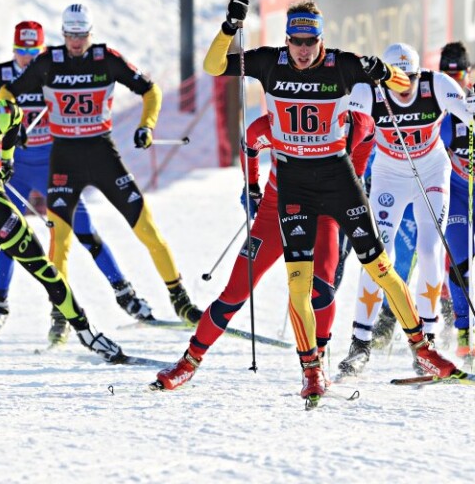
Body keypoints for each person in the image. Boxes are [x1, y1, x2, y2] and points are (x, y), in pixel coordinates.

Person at [174, 0, 465, 400]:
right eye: (297, 41)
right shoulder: (268, 62)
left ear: (321, 39)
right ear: (287, 39)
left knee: (381, 268)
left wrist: (385, 72)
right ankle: (311, 371)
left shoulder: (342, 64)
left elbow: (403, 86)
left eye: (311, 42)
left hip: (338, 181)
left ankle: (424, 350)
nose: (304, 50)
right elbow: (213, 66)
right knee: (298, 286)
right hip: (293, 186)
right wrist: (228, 28)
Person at [0, 4, 202, 338]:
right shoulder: (48, 62)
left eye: (82, 35)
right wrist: (13, 123)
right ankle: (60, 315)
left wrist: (147, 125)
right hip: (64, 161)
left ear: (91, 33)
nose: (76, 42)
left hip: (102, 155)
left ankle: (180, 299)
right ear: (63, 34)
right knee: (60, 241)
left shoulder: (106, 58)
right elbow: (7, 93)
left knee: (146, 228)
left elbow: (150, 90)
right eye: (70, 35)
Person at [152, 108, 374, 390]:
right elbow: (250, 143)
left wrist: (355, 175)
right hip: (274, 213)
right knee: (234, 293)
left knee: (322, 290)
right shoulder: (274, 123)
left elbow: (369, 132)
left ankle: (315, 368)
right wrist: (252, 186)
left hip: (322, 215)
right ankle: (188, 364)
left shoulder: (349, 122)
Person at [0, 60, 124, 360]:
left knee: (43, 268)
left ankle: (88, 332)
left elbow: (16, 120)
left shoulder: (1, 114)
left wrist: (7, 157)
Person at [0, 20, 152, 341]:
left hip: (53, 165)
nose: (27, 59)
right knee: (10, 234)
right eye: (21, 51)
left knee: (84, 231)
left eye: (33, 52)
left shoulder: (52, 69)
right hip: (15, 169)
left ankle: (124, 293)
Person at [337, 42, 473, 377]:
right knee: (377, 256)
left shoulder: (436, 84)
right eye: (396, 78)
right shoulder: (370, 90)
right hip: (390, 175)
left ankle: (427, 342)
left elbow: (469, 116)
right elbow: (339, 121)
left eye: (410, 77)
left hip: (431, 171)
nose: (404, 85)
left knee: (428, 250)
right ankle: (360, 343)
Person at [438, 41, 475, 362]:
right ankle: (463, 336)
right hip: (458, 196)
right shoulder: (443, 112)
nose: (453, 80)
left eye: (459, 73)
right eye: (446, 73)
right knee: (459, 260)